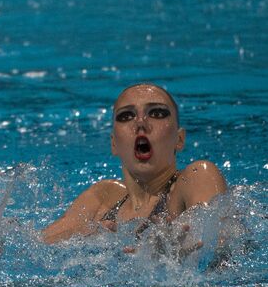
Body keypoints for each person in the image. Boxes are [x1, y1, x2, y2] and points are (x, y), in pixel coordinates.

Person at [43, 83, 227, 244]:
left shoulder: (196, 177)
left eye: (156, 113)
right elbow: (32, 246)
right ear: (114, 144)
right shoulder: (104, 198)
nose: (140, 122)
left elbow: (221, 249)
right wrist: (86, 239)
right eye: (126, 116)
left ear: (179, 139)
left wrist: (177, 258)